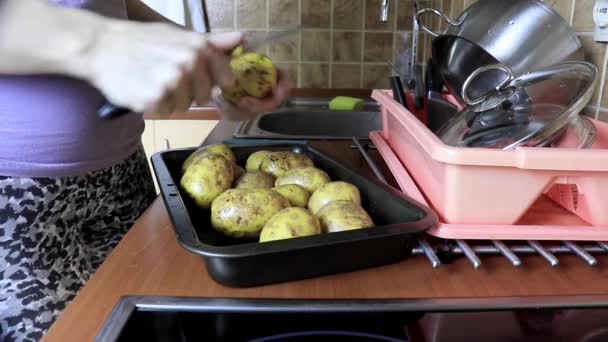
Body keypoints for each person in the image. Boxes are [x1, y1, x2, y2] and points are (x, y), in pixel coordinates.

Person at [0, 0, 290, 340]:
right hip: (18, 200)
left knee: (156, 330)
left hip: (124, 175)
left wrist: (201, 58)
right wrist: (100, 41)